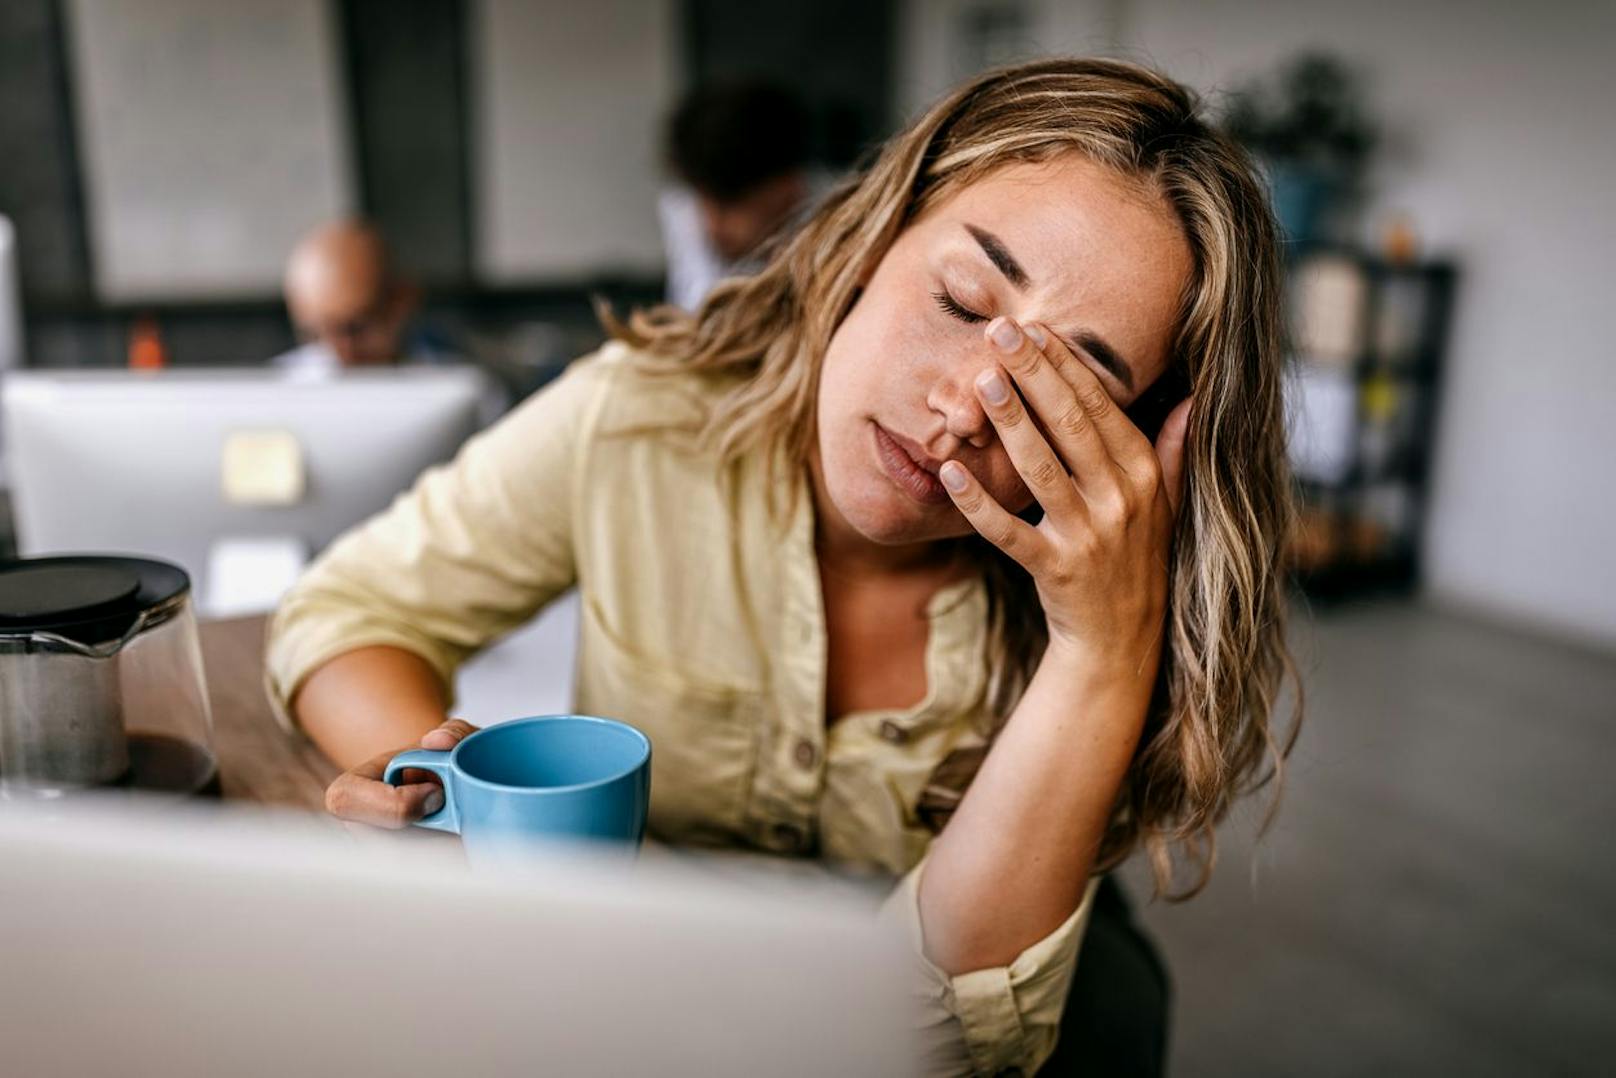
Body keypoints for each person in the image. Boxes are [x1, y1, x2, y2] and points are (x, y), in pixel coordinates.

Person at [267, 58, 1298, 1076]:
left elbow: (941, 1040)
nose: (958, 410)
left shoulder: (1108, 605)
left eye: (1062, 391)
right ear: (867, 240)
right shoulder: (640, 420)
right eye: (959, 298)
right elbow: (346, 610)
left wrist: (1100, 651)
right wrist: (456, 807)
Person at [658, 81, 819, 310]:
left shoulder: (836, 225)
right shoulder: (684, 207)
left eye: (729, 205)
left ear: (788, 186)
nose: (713, 224)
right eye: (704, 200)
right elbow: (695, 313)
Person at [272, 220, 449, 375]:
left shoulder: (456, 378)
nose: (338, 354)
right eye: (316, 335)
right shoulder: (276, 388)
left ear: (402, 302)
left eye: (354, 328)